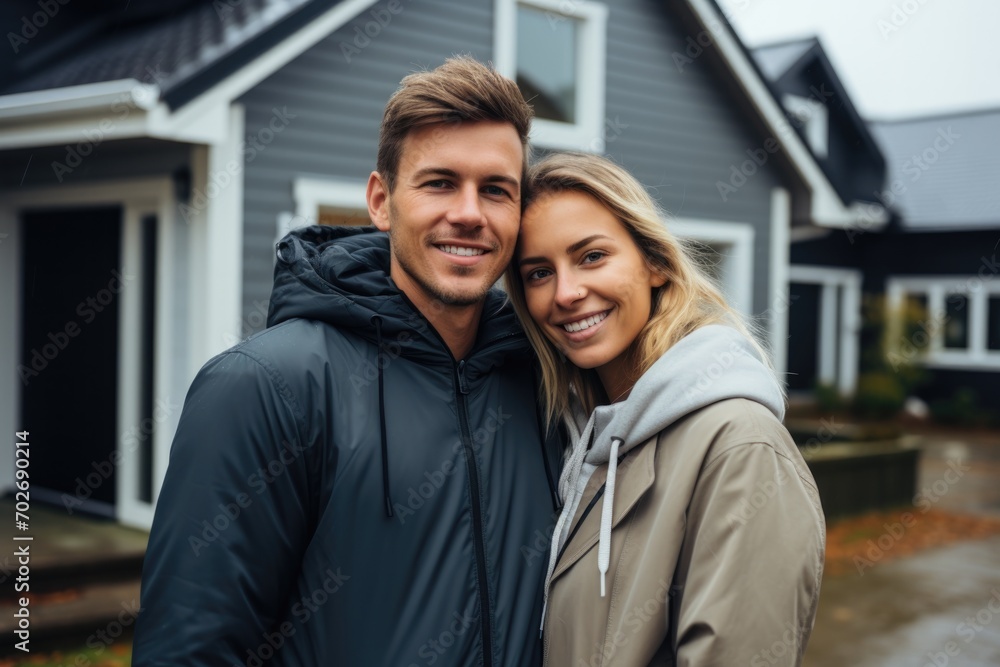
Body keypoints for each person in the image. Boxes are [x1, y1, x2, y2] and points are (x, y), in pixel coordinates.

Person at [132, 56, 562, 667]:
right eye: (440, 182)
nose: (469, 212)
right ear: (381, 201)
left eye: (496, 189)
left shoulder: (544, 380)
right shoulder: (264, 387)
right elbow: (191, 648)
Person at [504, 152, 825, 666]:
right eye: (539, 273)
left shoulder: (739, 445)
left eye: (591, 257)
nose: (566, 293)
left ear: (654, 262)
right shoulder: (581, 441)